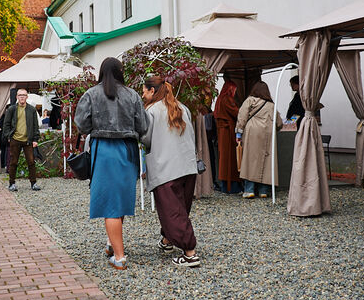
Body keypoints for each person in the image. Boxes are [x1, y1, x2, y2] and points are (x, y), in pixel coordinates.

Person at [74, 57, 148, 270]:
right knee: (120, 200)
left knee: (111, 204)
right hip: (127, 150)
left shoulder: (91, 94)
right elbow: (143, 126)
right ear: (120, 72)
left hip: (104, 151)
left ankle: (119, 256)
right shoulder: (132, 95)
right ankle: (111, 243)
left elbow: (81, 125)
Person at [141, 76, 200, 267]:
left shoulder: (151, 111)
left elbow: (146, 138)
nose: (142, 95)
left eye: (144, 91)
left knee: (171, 211)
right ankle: (167, 240)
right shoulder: (183, 107)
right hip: (188, 166)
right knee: (180, 207)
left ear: (152, 91)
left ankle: (190, 253)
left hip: (166, 167)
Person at [236, 81, 283, 198]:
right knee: (266, 161)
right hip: (268, 133)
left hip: (252, 132)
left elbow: (242, 117)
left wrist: (238, 134)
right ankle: (263, 191)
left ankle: (249, 190)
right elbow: (279, 123)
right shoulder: (271, 105)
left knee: (250, 160)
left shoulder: (250, 101)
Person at [2, 88, 41, 192]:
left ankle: (33, 183)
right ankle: (11, 183)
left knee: (31, 162)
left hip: (28, 140)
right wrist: (8, 136)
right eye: (20, 95)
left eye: (24, 95)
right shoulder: (12, 109)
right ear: (17, 97)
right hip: (15, 139)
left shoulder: (31, 110)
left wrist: (35, 139)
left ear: (27, 97)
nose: (22, 97)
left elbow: (35, 125)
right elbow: (6, 124)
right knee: (13, 162)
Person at [214, 80, 241, 193]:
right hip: (228, 132)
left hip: (222, 131)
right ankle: (232, 187)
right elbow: (237, 113)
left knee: (224, 159)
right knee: (230, 159)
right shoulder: (227, 99)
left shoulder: (220, 99)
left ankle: (226, 185)